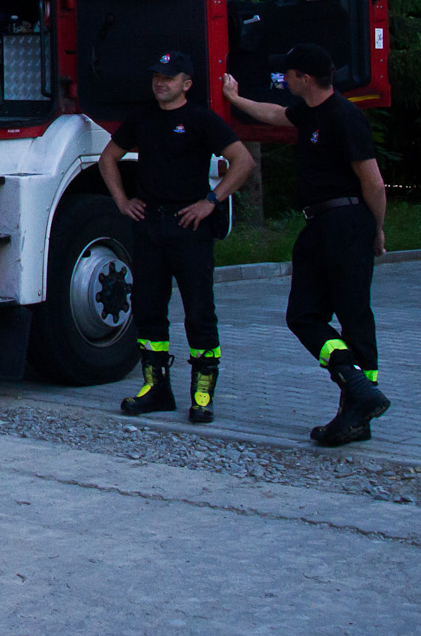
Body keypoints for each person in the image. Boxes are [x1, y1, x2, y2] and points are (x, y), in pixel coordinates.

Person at [224, 45, 390, 446]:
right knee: (303, 315)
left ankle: (356, 415)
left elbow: (373, 181)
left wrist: (377, 228)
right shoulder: (309, 113)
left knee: (354, 316)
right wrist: (234, 99)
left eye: (289, 74)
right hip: (317, 224)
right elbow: (277, 115)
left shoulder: (345, 117)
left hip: (347, 222)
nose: (284, 79)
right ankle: (357, 388)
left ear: (306, 78)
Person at [98, 51, 253, 423]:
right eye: (156, 76)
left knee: (199, 311)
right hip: (150, 224)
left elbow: (243, 161)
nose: (160, 82)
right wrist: (122, 201)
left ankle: (202, 395)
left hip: (190, 227)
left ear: (187, 84)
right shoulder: (142, 118)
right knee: (149, 310)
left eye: (169, 77)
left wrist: (211, 201)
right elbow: (107, 159)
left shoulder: (200, 119)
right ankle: (156, 388)